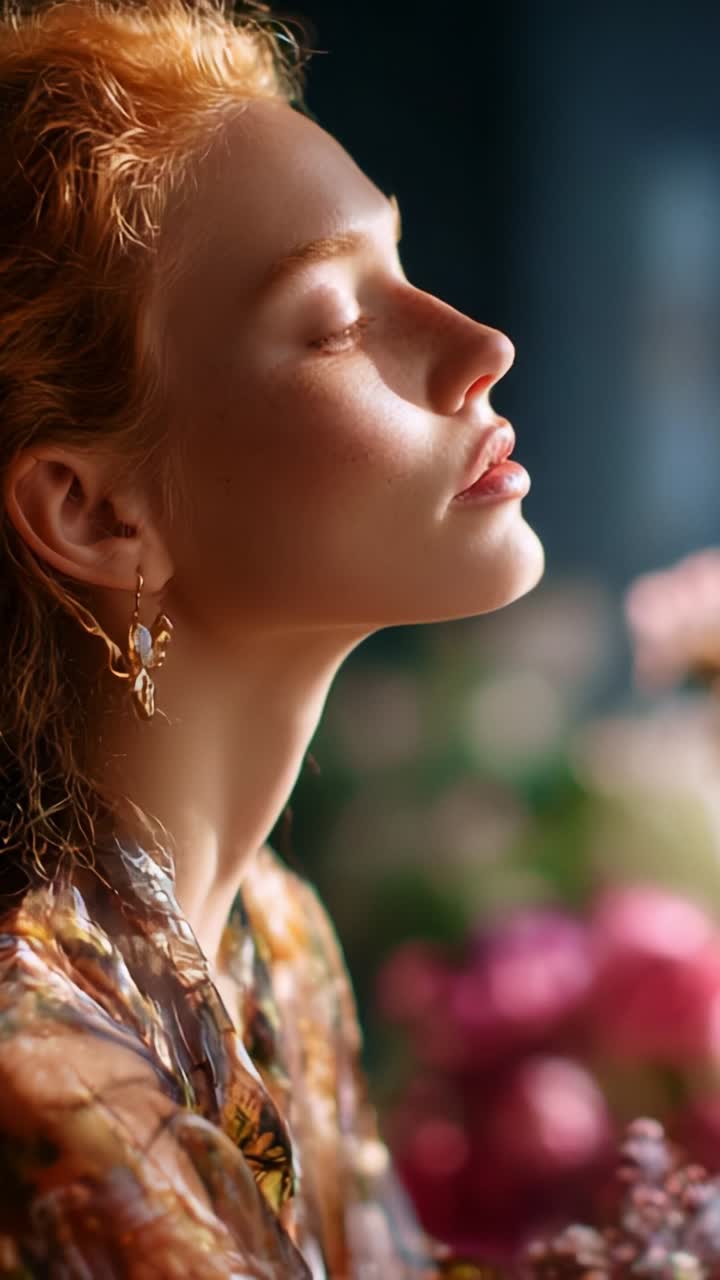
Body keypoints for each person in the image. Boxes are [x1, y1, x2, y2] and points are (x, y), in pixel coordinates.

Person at [0, 0, 544, 1274]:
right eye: (338, 321)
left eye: (400, 265)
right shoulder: (42, 1079)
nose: (480, 347)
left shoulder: (276, 938)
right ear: (93, 510)